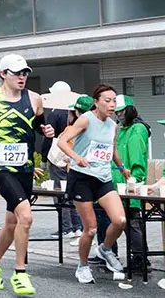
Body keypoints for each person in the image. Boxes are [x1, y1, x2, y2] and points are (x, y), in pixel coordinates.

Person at [0, 54, 55, 296]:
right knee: (25, 217)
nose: (22, 77)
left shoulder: (35, 99)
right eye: (16, 73)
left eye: (25, 73)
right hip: (1, 167)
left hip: (25, 168)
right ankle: (20, 273)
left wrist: (47, 130)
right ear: (2, 74)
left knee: (11, 223)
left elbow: (41, 124)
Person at [56, 86, 128, 283]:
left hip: (103, 178)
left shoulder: (113, 125)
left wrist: (122, 168)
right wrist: (76, 158)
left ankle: (104, 249)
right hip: (82, 178)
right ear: (96, 102)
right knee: (91, 229)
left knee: (120, 220)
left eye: (114, 100)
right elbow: (62, 141)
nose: (112, 104)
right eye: (107, 100)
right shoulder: (86, 118)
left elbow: (111, 150)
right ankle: (83, 266)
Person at [111, 94, 150, 272]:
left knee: (133, 221)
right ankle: (139, 257)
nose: (118, 114)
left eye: (121, 111)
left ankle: (140, 258)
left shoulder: (137, 129)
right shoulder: (123, 128)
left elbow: (136, 156)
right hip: (120, 182)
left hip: (131, 181)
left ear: (129, 110)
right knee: (128, 221)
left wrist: (134, 179)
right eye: (117, 111)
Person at [42, 81, 82, 241]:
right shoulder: (74, 111)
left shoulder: (55, 113)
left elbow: (48, 138)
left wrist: (43, 159)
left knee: (60, 191)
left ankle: (66, 228)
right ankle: (78, 226)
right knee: (72, 192)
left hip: (59, 159)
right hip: (73, 158)